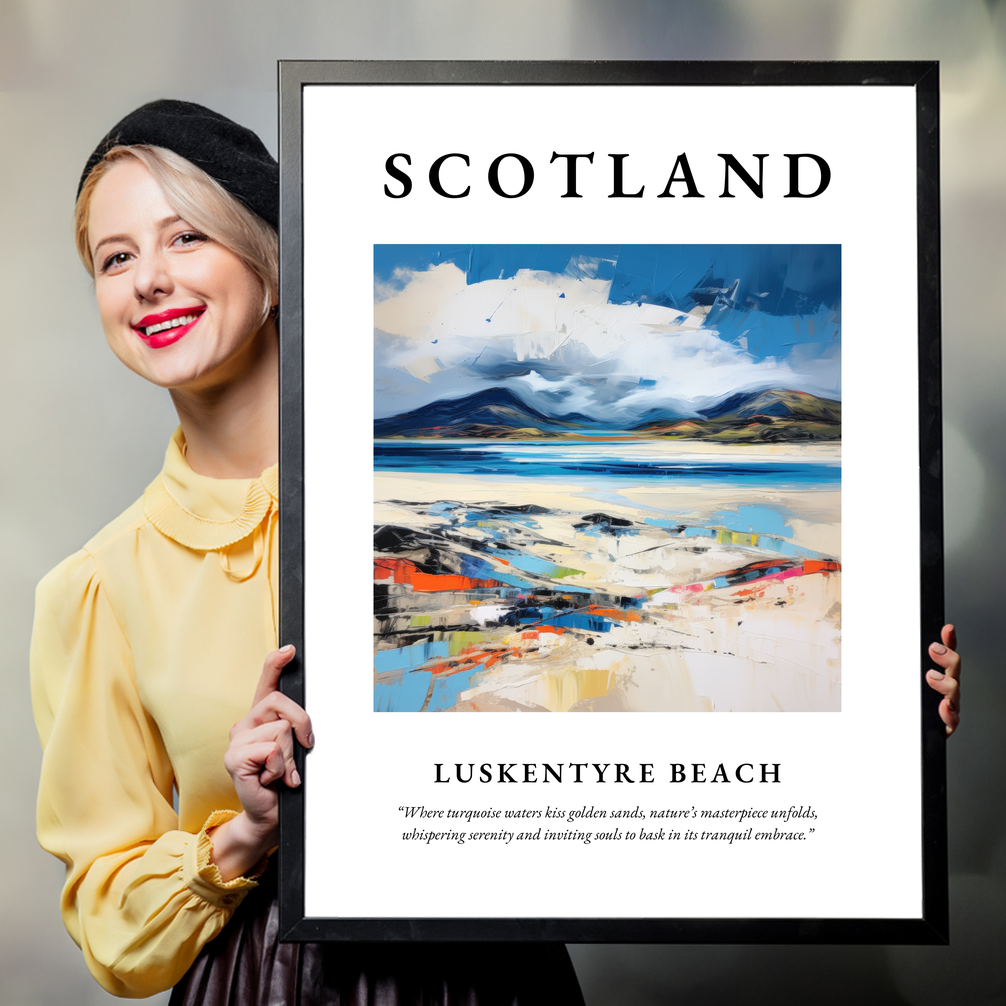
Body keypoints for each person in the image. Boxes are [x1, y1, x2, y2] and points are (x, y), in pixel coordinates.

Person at [30, 100, 586, 1004]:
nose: (149, 281)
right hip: (263, 981)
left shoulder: (447, 498)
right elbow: (110, 924)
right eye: (115, 258)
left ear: (272, 262)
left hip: (490, 972)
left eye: (186, 237)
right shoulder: (97, 586)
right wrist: (245, 833)